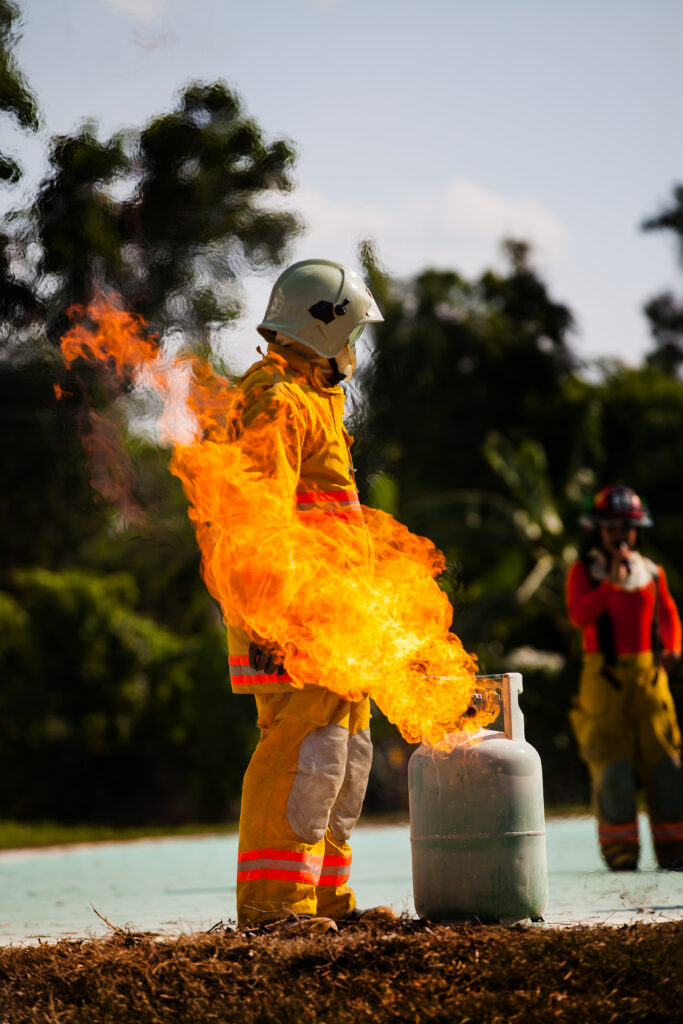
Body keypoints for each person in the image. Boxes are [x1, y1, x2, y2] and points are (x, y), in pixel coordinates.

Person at [226, 258, 390, 929]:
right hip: (295, 624)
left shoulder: (311, 398)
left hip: (338, 624)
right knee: (301, 759)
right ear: (324, 328)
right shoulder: (276, 400)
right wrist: (270, 617)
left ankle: (325, 904)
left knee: (341, 763)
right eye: (350, 334)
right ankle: (274, 912)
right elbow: (254, 521)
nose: (353, 351)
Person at [566, 484, 683, 871]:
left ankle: (674, 850)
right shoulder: (585, 572)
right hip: (603, 680)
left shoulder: (651, 571)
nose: (621, 534)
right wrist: (610, 586)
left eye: (628, 527)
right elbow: (580, 615)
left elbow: (667, 612)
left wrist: (672, 646)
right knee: (611, 767)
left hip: (649, 678)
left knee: (665, 764)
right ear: (598, 529)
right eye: (613, 526)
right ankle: (620, 853)